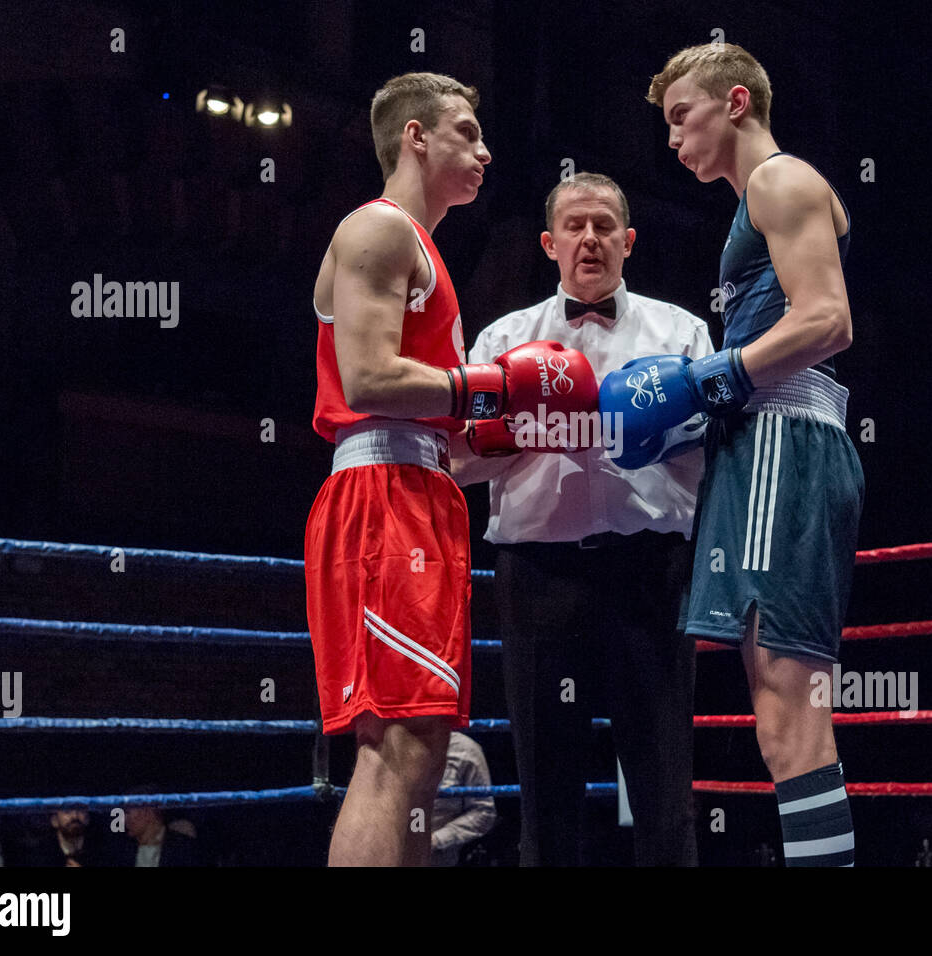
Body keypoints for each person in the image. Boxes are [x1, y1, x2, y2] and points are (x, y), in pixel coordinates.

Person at [305, 72, 597, 866]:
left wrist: (519, 436)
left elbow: (432, 435)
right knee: (395, 748)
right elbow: (367, 381)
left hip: (420, 491)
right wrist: (494, 384)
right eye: (466, 131)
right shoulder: (379, 230)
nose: (485, 149)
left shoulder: (426, 251)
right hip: (380, 500)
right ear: (416, 137)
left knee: (422, 746)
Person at [601, 42, 862, 867]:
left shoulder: (781, 181)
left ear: (737, 102)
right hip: (771, 444)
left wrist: (710, 379)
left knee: (788, 716)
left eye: (683, 116)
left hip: (783, 443)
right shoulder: (755, 200)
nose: (673, 139)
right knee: (787, 712)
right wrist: (705, 395)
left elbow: (828, 321)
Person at [453, 172, 711, 866]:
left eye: (604, 227)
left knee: (663, 786)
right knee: (546, 784)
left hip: (650, 573)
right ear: (549, 243)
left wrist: (653, 427)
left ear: (628, 242)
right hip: (539, 578)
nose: (590, 238)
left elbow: (716, 446)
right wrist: (534, 427)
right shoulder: (504, 338)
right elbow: (455, 460)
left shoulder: (681, 331)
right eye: (575, 226)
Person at [429, 731, 498, 866]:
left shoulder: (463, 750)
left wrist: (437, 840)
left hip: (437, 859)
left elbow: (483, 812)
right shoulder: (391, 744)